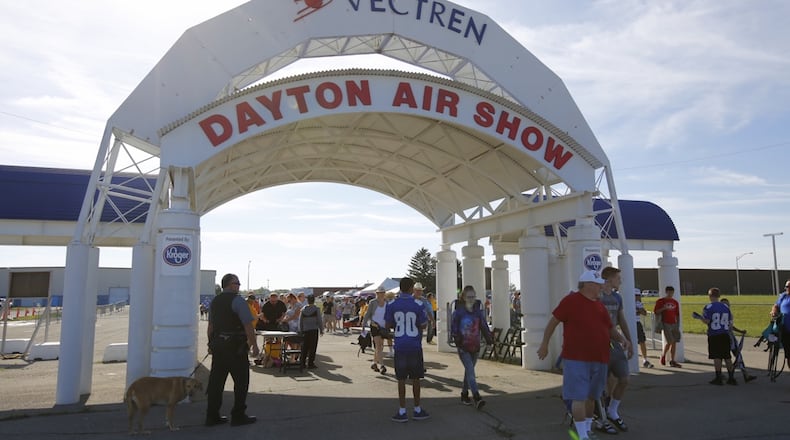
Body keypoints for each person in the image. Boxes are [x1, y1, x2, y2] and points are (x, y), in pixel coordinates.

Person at [537, 270, 629, 440]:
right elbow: (553, 322)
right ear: (588, 285)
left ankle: (586, 429)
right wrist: (544, 344)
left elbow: (609, 328)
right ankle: (581, 435)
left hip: (600, 358)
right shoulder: (570, 301)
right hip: (576, 359)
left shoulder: (599, 305)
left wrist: (622, 338)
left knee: (592, 397)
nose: (601, 287)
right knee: (579, 397)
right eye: (598, 284)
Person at [205, 273, 259, 427]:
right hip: (235, 348)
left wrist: (210, 343)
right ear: (229, 284)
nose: (239, 285)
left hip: (219, 346)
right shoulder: (238, 301)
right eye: (237, 283)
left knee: (216, 382)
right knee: (241, 382)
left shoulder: (215, 301)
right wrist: (254, 345)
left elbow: (211, 326)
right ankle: (238, 415)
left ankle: (212, 416)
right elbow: (248, 325)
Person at [384, 277, 429, 422]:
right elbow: (423, 325)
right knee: (416, 378)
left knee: (401, 379)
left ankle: (402, 410)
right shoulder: (418, 304)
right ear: (411, 289)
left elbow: (388, 324)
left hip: (400, 345)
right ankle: (417, 409)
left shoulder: (391, 304)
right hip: (414, 345)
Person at [599, 267, 633, 432]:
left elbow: (621, 320)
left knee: (624, 379)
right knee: (602, 384)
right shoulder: (597, 296)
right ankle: (601, 415)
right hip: (599, 344)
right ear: (609, 279)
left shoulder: (617, 297)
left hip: (616, 342)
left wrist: (630, 341)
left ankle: (612, 411)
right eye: (618, 278)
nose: (620, 281)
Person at [451, 285, 494, 409]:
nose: (471, 299)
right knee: (471, 372)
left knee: (468, 372)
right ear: (463, 297)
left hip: (475, 347)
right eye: (469, 297)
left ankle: (464, 394)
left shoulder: (478, 312)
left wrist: (489, 339)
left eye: (473, 297)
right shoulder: (458, 312)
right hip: (463, 347)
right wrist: (457, 340)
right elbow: (454, 328)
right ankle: (477, 397)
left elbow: (484, 326)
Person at [700, 288, 736, 385]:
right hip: (725, 333)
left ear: (710, 296)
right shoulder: (725, 307)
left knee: (717, 357)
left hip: (714, 334)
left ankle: (718, 377)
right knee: (727, 356)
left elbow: (707, 321)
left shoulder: (708, 307)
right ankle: (731, 377)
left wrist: (701, 319)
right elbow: (730, 322)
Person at [720, 298, 756, 382]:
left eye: (728, 305)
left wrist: (740, 331)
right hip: (725, 338)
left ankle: (745, 374)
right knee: (724, 357)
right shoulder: (723, 314)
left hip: (730, 338)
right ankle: (726, 374)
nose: (727, 306)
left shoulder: (729, 314)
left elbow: (731, 326)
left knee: (738, 356)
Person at [362, 287, 389, 374]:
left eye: (382, 293)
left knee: (380, 346)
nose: (381, 294)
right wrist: (364, 324)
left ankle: (374, 363)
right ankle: (382, 365)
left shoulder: (387, 302)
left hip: (384, 327)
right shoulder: (372, 302)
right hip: (374, 326)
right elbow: (368, 314)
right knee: (378, 346)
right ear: (376, 293)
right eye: (379, 293)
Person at [654, 285, 681, 367]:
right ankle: (663, 355)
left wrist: (677, 324)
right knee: (670, 341)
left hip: (674, 323)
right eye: (669, 292)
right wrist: (664, 308)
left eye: (672, 293)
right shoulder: (661, 301)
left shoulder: (675, 302)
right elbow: (656, 312)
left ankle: (673, 360)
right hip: (665, 323)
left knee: (674, 341)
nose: (670, 294)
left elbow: (677, 314)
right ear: (666, 292)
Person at [299, 295, 323, 370]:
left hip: (305, 330)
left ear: (307, 300)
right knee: (313, 347)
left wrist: (301, 330)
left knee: (304, 347)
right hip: (313, 330)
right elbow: (319, 320)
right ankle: (310, 363)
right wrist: (321, 329)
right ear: (314, 300)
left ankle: (302, 363)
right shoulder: (316, 309)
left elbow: (300, 321)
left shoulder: (303, 309)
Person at [770, 280, 790, 362]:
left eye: (788, 286)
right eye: (786, 286)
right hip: (785, 330)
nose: (787, 288)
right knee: (789, 354)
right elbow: (776, 305)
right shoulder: (783, 296)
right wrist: (774, 311)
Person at [634, 289, 654, 368]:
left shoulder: (639, 304)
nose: (638, 297)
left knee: (642, 341)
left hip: (638, 323)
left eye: (639, 295)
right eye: (637, 295)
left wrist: (638, 309)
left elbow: (644, 313)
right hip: (629, 323)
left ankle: (645, 359)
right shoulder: (627, 301)